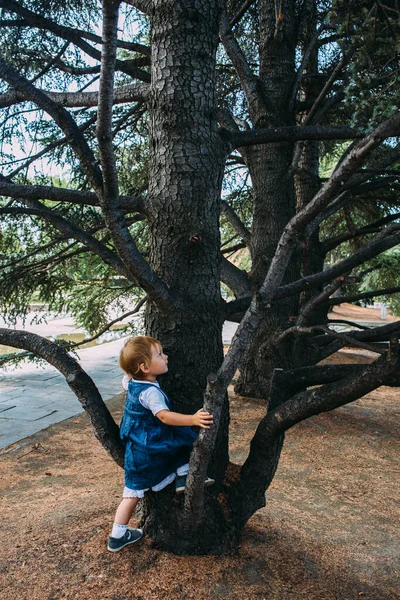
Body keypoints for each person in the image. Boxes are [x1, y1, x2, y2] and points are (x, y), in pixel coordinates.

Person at [107, 335, 214, 552]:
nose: (166, 357)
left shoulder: (131, 382)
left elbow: (128, 373)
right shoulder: (150, 393)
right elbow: (165, 417)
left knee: (132, 492)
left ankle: (117, 534)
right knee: (184, 437)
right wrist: (192, 419)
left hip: (137, 445)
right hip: (150, 445)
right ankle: (184, 475)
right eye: (160, 354)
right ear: (145, 367)